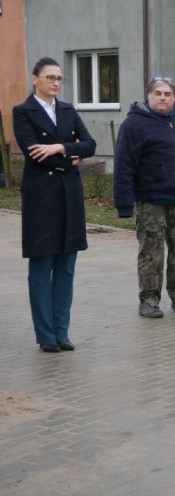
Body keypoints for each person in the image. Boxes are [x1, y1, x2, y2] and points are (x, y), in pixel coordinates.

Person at [12, 57, 96, 352]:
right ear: (35, 79)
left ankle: (62, 332)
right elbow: (34, 153)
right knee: (42, 264)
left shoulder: (68, 110)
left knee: (66, 265)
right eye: (50, 77)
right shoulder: (23, 112)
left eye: (60, 78)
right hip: (41, 195)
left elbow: (90, 145)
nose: (56, 83)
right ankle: (46, 335)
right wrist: (70, 156)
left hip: (69, 193)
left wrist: (60, 147)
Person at [113, 77, 175, 318]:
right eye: (157, 93)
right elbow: (124, 166)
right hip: (150, 201)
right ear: (149, 96)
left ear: (174, 98)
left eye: (167, 94)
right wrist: (124, 204)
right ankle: (148, 299)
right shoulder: (134, 125)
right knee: (152, 252)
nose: (162, 97)